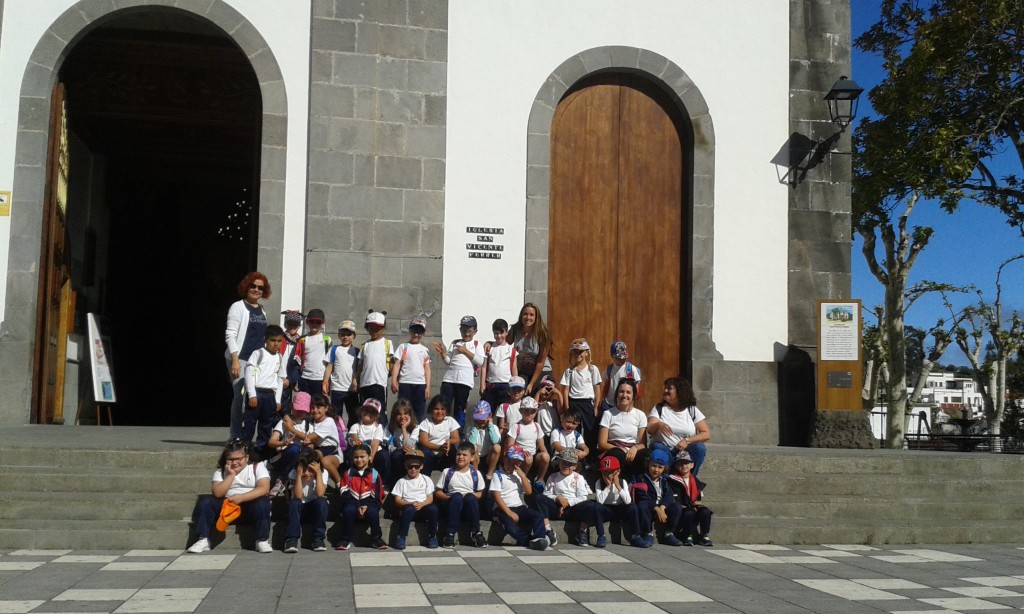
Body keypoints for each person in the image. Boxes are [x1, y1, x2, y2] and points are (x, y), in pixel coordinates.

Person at [188, 439, 271, 554]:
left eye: (238, 459)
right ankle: (203, 539)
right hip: (227, 509)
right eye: (231, 459)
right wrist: (231, 475)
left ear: (246, 457)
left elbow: (264, 488)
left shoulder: (257, 467)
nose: (234, 463)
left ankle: (262, 540)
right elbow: (217, 493)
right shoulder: (221, 471)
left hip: (250, 507)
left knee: (263, 502)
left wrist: (241, 497)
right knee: (206, 501)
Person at [225, 272, 270, 438]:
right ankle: (235, 436)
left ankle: (247, 435)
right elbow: (230, 335)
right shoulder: (238, 307)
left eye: (260, 287)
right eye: (253, 286)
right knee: (240, 397)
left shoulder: (262, 310)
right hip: (241, 359)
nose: (256, 290)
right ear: (246, 287)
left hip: (257, 362)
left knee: (253, 397)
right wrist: (235, 360)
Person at [646, 376, 711, 475]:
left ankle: (690, 480)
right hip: (666, 449)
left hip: (684, 452)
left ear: (679, 391)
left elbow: (706, 434)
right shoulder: (659, 408)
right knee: (658, 446)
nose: (665, 390)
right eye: (665, 387)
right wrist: (658, 424)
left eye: (669, 388)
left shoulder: (691, 410)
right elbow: (650, 429)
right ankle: (670, 478)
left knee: (699, 448)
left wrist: (687, 440)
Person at [536, 448, 599, 547]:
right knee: (539, 498)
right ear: (559, 463)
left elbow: (582, 497)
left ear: (575, 466)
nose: (566, 466)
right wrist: (557, 498)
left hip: (573, 508)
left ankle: (582, 531)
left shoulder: (578, 478)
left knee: (591, 504)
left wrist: (567, 503)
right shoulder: (552, 477)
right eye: (564, 463)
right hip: (556, 509)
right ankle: (548, 530)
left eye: (570, 464)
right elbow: (547, 494)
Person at [490, 445, 549, 550]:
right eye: (509, 461)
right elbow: (496, 496)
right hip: (503, 509)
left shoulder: (518, 475)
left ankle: (540, 537)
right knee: (511, 527)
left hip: (519, 507)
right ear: (504, 459)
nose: (511, 465)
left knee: (537, 515)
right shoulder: (498, 475)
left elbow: (528, 492)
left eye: (516, 462)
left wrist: (522, 476)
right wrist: (509, 512)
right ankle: (528, 541)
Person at [241, 324, 284, 456]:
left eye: (279, 341)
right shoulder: (258, 353)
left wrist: (277, 400)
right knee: (249, 424)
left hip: (270, 395)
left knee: (266, 426)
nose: (276, 344)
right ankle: (244, 451)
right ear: (265, 339)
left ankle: (261, 454)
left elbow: (280, 379)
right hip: (257, 392)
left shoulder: (280, 357)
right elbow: (248, 373)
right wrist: (252, 395)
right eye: (273, 340)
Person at [434, 315, 485, 426]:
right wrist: (442, 353)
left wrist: (465, 351)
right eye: (463, 330)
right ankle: (442, 429)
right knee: (444, 405)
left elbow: (480, 361)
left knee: (460, 407)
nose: (466, 333)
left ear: (475, 331)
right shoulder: (455, 342)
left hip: (464, 381)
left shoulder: (477, 345)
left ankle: (459, 433)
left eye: (469, 331)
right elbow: (448, 361)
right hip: (449, 379)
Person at [336, 444, 388, 551]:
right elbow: (343, 491)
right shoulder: (348, 473)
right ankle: (346, 539)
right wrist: (356, 505)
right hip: (351, 501)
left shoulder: (374, 474)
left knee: (373, 512)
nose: (359, 459)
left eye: (362, 457)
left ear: (369, 457)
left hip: (370, 501)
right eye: (356, 457)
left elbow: (378, 495)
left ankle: (376, 538)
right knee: (348, 511)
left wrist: (366, 505)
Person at [435, 442, 486, 547]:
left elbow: (480, 494)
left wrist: (467, 496)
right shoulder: (447, 471)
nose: (461, 457)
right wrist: (449, 497)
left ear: (472, 457)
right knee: (457, 497)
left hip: (469, 507)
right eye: (458, 454)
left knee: (470, 498)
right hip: (452, 505)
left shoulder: (476, 473)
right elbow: (438, 491)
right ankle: (449, 534)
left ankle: (476, 532)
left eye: (464, 455)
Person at [629, 448, 683, 547]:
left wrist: (662, 507)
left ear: (664, 469)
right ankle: (648, 532)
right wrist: (657, 509)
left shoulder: (665, 479)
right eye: (653, 466)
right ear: (648, 464)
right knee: (642, 505)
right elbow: (642, 496)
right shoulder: (641, 478)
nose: (656, 470)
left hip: (661, 507)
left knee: (677, 507)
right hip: (650, 507)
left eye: (660, 467)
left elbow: (669, 495)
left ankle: (669, 533)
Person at [597, 379, 648, 477]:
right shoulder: (608, 414)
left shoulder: (640, 415)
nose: (624, 395)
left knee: (646, 454)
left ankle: (638, 484)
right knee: (618, 454)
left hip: (632, 450)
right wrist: (622, 449)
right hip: (614, 449)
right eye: (621, 392)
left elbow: (643, 444)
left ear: (633, 395)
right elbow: (602, 443)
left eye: (628, 392)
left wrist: (634, 448)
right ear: (617, 394)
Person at [266, 391, 313, 496]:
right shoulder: (285, 422)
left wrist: (306, 441)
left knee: (305, 451)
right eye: (298, 409)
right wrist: (283, 443)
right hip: (282, 456)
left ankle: (282, 480)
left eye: (303, 410)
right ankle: (281, 479)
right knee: (295, 448)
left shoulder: (308, 425)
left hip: (298, 460)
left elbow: (311, 443)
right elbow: (271, 442)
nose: (300, 413)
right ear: (292, 407)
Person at [559, 338, 602, 453]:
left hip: (587, 403)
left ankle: (590, 454)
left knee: (590, 429)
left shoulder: (593, 369)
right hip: (573, 402)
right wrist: (567, 407)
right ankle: (573, 453)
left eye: (580, 352)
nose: (577, 355)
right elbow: (566, 390)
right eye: (575, 352)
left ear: (587, 353)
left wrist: (596, 406)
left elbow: (597, 388)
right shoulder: (569, 371)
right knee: (573, 429)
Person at [391, 449, 439, 550]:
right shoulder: (402, 481)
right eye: (410, 466)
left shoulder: (426, 479)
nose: (413, 469)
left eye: (416, 466)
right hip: (408, 510)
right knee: (408, 509)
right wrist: (410, 503)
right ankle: (401, 537)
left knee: (433, 508)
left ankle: (432, 536)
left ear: (421, 466)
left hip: (423, 508)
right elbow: (397, 500)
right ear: (405, 466)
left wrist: (422, 504)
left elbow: (430, 498)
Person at [284, 449, 329, 552]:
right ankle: (291, 540)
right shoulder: (294, 473)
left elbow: (320, 493)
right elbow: (298, 496)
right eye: (304, 469)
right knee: (295, 503)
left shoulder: (323, 473)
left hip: (314, 508)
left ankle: (318, 538)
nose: (307, 473)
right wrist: (299, 476)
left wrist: (318, 473)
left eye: (310, 469)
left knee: (322, 501)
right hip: (299, 508)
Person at [666, 450, 713, 546]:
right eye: (680, 464)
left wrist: (698, 504)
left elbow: (698, 497)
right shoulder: (672, 480)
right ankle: (687, 535)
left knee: (705, 512)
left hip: (694, 505)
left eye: (686, 463)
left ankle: (704, 535)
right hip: (682, 507)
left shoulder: (695, 480)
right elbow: (673, 497)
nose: (683, 466)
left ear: (692, 465)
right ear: (676, 466)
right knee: (688, 513)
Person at [391, 316, 432, 422]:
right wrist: (394, 381)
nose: (416, 334)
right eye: (414, 331)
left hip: (420, 384)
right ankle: (402, 432)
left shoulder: (424, 350)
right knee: (403, 410)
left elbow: (427, 369)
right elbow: (397, 364)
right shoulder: (403, 346)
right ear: (410, 331)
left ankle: (418, 433)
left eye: (419, 332)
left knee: (419, 410)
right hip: (405, 383)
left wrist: (427, 387)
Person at [593, 455, 638, 549]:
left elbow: (628, 501)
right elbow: (600, 501)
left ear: (618, 472)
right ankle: (601, 535)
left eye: (611, 473)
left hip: (619, 509)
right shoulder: (599, 482)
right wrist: (608, 486)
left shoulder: (623, 482)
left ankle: (635, 535)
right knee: (596, 507)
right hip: (607, 509)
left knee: (633, 507)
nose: (609, 476)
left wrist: (618, 486)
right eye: (605, 473)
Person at [508, 303, 553, 393]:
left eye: (531, 315)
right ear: (521, 315)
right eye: (525, 314)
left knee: (532, 393)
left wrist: (531, 384)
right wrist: (490, 343)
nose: (528, 317)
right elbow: (503, 342)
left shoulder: (542, 335)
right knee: (519, 392)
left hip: (540, 370)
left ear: (536, 317)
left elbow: (540, 362)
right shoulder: (515, 330)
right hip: (523, 370)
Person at [323, 320, 361, 424]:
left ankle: (351, 436)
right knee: (336, 415)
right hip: (336, 388)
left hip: (351, 390)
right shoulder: (334, 349)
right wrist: (325, 382)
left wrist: (356, 382)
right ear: (339, 335)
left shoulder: (357, 351)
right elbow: (329, 366)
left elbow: (359, 369)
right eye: (343, 334)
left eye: (349, 334)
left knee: (354, 415)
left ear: (354, 336)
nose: (345, 337)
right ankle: (337, 436)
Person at [506, 396, 549, 485]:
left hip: (533, 456)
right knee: (528, 459)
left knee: (545, 456)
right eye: (526, 411)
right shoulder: (516, 426)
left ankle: (540, 479)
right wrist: (521, 451)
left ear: (536, 412)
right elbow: (510, 446)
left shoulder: (537, 426)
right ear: (521, 411)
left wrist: (547, 457)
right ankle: (522, 479)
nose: (529, 414)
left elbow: (541, 446)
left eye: (532, 411)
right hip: (519, 456)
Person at [358, 310, 394, 411]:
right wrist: (355, 381)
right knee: (364, 411)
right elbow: (360, 365)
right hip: (364, 384)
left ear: (383, 328)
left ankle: (381, 426)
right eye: (371, 328)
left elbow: (391, 362)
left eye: (377, 329)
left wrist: (394, 378)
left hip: (379, 383)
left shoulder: (387, 343)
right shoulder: (364, 345)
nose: (374, 331)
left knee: (380, 412)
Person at [417, 395, 460, 475]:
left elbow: (456, 438)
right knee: (424, 452)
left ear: (446, 411)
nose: (439, 412)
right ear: (431, 410)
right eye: (436, 409)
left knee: (453, 450)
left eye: (442, 409)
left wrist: (448, 442)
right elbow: (424, 442)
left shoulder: (450, 421)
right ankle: (425, 478)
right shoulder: (426, 423)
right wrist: (440, 448)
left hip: (445, 454)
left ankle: (451, 477)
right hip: (430, 453)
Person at [292, 309, 332, 395]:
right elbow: (297, 361)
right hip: (304, 378)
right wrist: (296, 380)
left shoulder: (327, 340)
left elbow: (331, 363)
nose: (315, 324)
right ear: (307, 322)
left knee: (318, 406)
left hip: (320, 379)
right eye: (312, 321)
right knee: (304, 407)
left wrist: (328, 380)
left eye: (318, 322)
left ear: (323, 323)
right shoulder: (302, 340)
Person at [379, 398, 417, 486]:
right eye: (399, 414)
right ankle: (393, 484)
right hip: (395, 454)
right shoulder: (389, 427)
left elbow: (409, 446)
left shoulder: (415, 427)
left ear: (410, 415)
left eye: (405, 413)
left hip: (411, 454)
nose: (402, 417)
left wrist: (404, 428)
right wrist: (399, 448)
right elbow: (388, 446)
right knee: (396, 454)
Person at [480, 318, 517, 411]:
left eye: (501, 333)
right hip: (491, 385)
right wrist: (482, 384)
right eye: (496, 333)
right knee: (487, 411)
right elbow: (484, 366)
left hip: (506, 386)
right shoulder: (489, 348)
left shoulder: (511, 350)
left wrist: (515, 384)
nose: (499, 336)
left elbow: (514, 368)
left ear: (506, 332)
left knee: (504, 412)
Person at [307, 394, 343, 485]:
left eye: (318, 407)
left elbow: (309, 437)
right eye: (312, 407)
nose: (315, 410)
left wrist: (290, 428)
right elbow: (308, 439)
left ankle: (340, 484)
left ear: (326, 408)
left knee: (324, 461)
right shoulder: (311, 423)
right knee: (309, 454)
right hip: (319, 449)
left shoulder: (329, 421)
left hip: (333, 452)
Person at [600, 341, 642, 412]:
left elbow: (637, 389)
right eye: (619, 358)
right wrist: (603, 398)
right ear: (612, 356)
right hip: (609, 404)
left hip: (623, 405)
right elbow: (606, 385)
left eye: (624, 357)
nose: (622, 359)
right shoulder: (609, 369)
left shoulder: (631, 369)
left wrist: (630, 402)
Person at [465, 400, 501, 479]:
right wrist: (475, 427)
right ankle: (476, 474)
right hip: (475, 457)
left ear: (489, 416)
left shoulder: (494, 428)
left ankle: (489, 475)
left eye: (483, 417)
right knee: (473, 446)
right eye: (478, 418)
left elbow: (496, 441)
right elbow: (471, 442)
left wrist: (490, 425)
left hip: (488, 457)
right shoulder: (471, 428)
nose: (481, 420)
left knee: (497, 447)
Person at [279, 309, 304, 414]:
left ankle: (281, 430)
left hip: (287, 381)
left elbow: (299, 365)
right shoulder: (279, 339)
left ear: (299, 326)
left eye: (295, 324)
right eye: (290, 324)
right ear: (285, 325)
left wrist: (290, 380)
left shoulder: (301, 342)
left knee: (284, 409)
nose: (292, 327)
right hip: (275, 379)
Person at [347, 398, 385, 465]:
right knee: (350, 455)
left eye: (372, 411)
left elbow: (375, 443)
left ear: (376, 416)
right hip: (359, 451)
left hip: (374, 452)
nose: (368, 412)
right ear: (361, 412)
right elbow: (356, 442)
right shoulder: (355, 427)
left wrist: (371, 458)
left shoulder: (378, 427)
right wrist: (364, 456)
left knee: (384, 456)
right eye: (366, 409)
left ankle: (382, 475)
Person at [535, 377, 563, 445]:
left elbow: (562, 409)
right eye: (543, 387)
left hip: (554, 432)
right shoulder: (538, 403)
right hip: (542, 433)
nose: (546, 391)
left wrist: (558, 393)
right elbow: (533, 407)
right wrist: (538, 393)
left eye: (549, 389)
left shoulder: (554, 403)